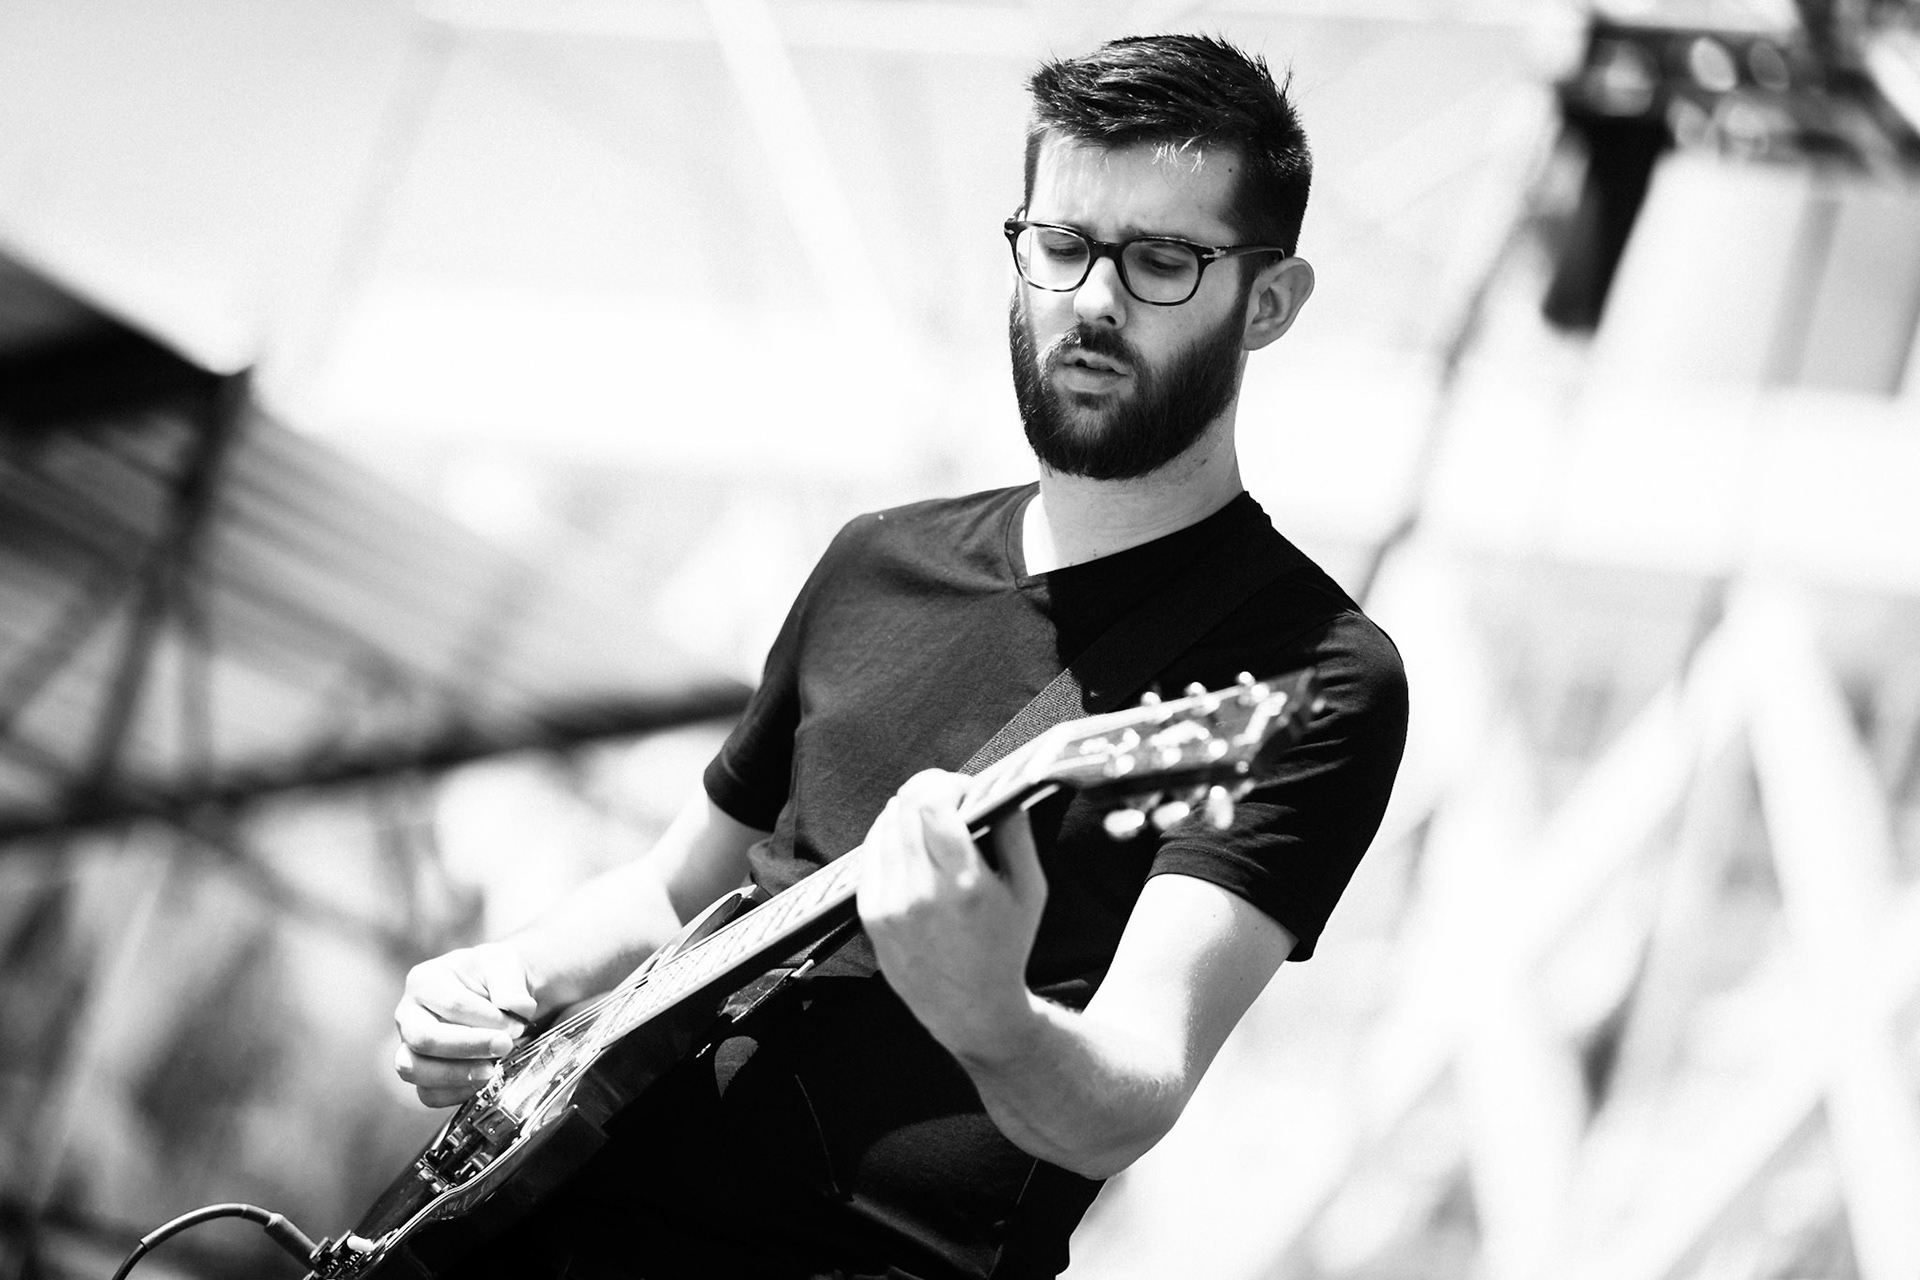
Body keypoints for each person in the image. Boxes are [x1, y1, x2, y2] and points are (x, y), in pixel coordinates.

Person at [392, 32, 1407, 1280]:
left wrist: (993, 1014)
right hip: (564, 1215)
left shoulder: (1311, 670)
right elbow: (675, 889)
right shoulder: (873, 561)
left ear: (1269, 301)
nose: (1093, 298)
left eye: (1161, 260)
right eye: (1063, 244)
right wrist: (499, 980)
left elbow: (1138, 1083)